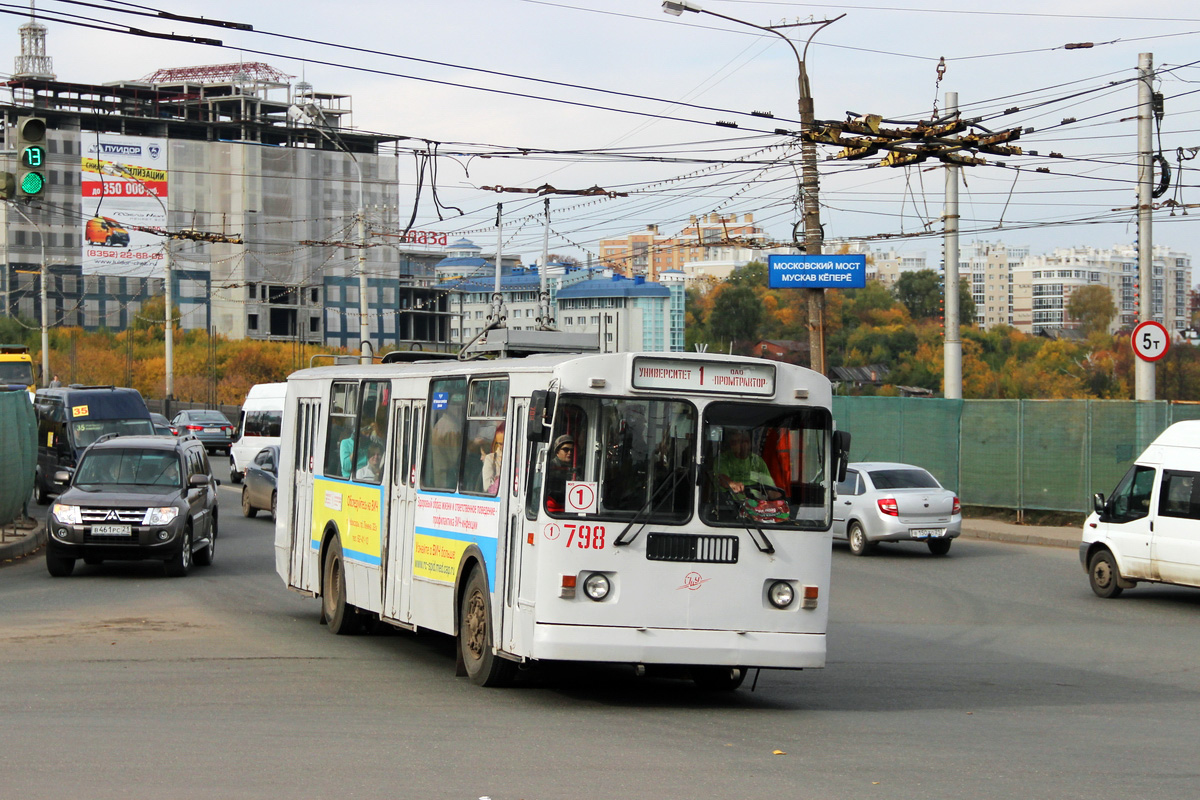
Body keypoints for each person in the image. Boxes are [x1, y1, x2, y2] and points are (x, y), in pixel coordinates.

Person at [714, 428, 775, 495]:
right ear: (731, 445)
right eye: (738, 442)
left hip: (754, 502)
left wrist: (778, 498)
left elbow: (770, 487)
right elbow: (721, 478)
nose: (743, 445)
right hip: (729, 501)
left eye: (746, 441)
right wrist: (732, 484)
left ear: (750, 443)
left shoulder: (757, 461)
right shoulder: (723, 459)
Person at [545, 434, 577, 510]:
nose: (570, 453)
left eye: (572, 450)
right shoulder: (551, 467)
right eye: (566, 450)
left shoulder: (576, 467)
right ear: (557, 451)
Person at [481, 422, 505, 495]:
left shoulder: (519, 458)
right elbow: (487, 487)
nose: (501, 447)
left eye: (503, 443)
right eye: (499, 443)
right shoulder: (490, 459)